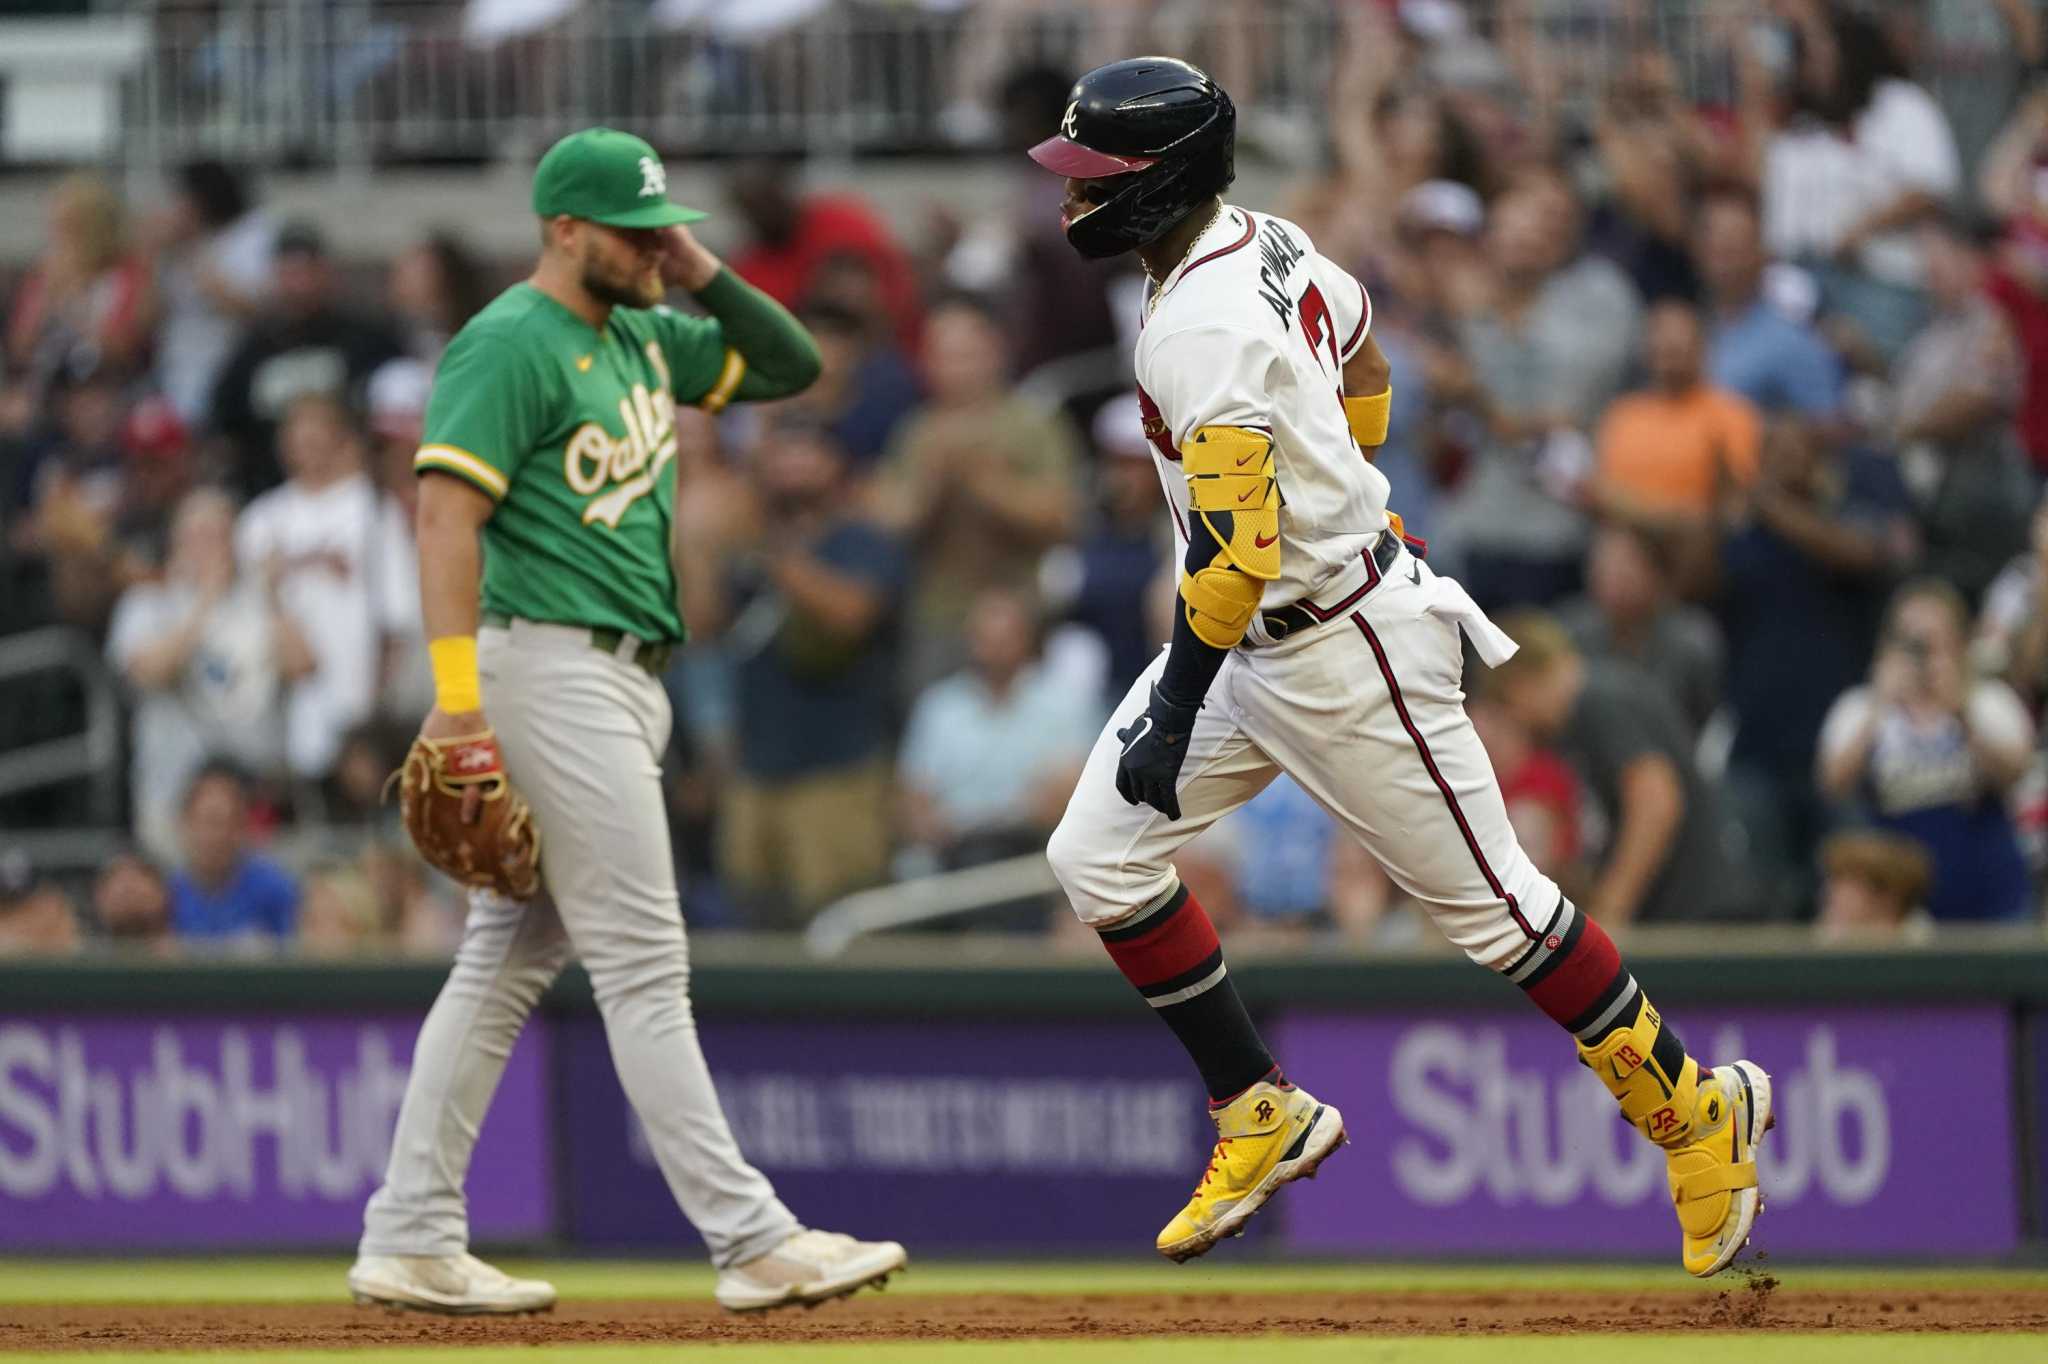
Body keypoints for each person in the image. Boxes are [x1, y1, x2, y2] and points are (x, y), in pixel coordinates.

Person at [1030, 58, 1769, 1278]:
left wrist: (1172, 705)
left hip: (1334, 643)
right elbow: (1365, 352)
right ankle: (1256, 1108)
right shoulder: (1256, 239)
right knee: (1095, 856)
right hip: (1269, 625)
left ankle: (1694, 1111)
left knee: (1499, 915)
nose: (1071, 202)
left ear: (1157, 184)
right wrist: (1358, 484)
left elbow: (1237, 553)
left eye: (1094, 177)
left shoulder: (1200, 317)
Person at [350, 127, 905, 1316]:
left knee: (504, 955)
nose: (656, 245)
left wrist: (694, 265)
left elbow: (790, 362)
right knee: (645, 961)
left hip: (617, 671)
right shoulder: (508, 340)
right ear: (562, 228)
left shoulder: (646, 328)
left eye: (665, 225)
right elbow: (443, 523)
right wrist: (455, 702)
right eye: (632, 229)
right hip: (540, 662)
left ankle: (407, 1230)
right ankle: (749, 1234)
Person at [683, 414, 909, 928]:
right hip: (757, 769)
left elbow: (850, 616)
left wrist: (774, 555)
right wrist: (698, 534)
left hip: (838, 769)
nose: (792, 465)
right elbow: (702, 626)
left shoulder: (861, 539)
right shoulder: (744, 544)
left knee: (836, 922)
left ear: (840, 467)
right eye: (782, 453)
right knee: (751, 918)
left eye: (809, 452)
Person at [872, 292, 1081, 690]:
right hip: (937, 617)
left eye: (966, 353)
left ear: (996, 351)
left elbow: (1062, 518)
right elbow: (892, 523)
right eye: (941, 355)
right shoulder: (916, 431)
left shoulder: (1031, 424)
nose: (953, 368)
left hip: (1019, 616)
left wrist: (985, 483)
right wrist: (931, 483)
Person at [1817, 579, 2035, 924]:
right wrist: (1879, 705)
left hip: (1989, 894)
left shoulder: (1988, 700)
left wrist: (1960, 712)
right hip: (1896, 900)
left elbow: (2016, 772)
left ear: (1960, 645)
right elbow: (1833, 785)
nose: (1923, 657)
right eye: (1911, 643)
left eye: (1935, 643)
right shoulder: (1859, 707)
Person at [107, 486, 301, 862]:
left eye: (217, 536)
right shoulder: (146, 603)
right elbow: (150, 671)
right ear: (175, 543)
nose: (206, 548)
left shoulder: (259, 604)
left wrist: (272, 595)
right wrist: (205, 601)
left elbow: (303, 665)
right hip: (172, 799)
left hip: (254, 802)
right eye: (195, 536)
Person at [234, 395, 420, 787]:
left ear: (339, 438)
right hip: (283, 707)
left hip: (358, 707)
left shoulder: (371, 510)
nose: (307, 444)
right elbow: (244, 613)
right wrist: (282, 630)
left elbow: (398, 616)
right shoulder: (262, 518)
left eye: (317, 433)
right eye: (298, 434)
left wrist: (378, 707)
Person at [899, 586, 1097, 906]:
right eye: (984, 638)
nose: (994, 650)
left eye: (1005, 639)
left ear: (1028, 640)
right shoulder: (939, 707)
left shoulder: (1064, 702)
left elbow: (1071, 793)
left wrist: (1017, 814)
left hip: (1032, 859)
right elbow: (914, 800)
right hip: (953, 858)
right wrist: (931, 824)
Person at [209, 221, 405, 499]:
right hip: (271, 494)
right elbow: (224, 424)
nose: (298, 284)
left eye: (306, 271)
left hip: (355, 491)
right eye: (289, 273)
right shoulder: (254, 349)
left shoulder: (366, 339)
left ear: (326, 273)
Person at [1591, 297, 1762, 532]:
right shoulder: (1623, 414)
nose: (1669, 349)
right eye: (1661, 342)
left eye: (1679, 344)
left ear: (1702, 347)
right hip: (1625, 540)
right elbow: (1600, 493)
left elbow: (1736, 507)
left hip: (1698, 546)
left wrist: (1647, 515)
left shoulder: (1732, 415)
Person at [1556, 524, 1723, 736]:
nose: (1612, 576)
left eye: (1626, 565)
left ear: (1659, 572)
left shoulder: (1693, 641)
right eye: (1603, 563)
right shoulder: (1567, 630)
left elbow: (1706, 720)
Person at [146, 160, 277, 424]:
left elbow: (247, 307)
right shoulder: (172, 248)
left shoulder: (253, 233)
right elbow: (149, 316)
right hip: (176, 369)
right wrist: (151, 255)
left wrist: (191, 247)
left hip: (228, 368)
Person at [1696, 186, 1842, 419]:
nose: (1722, 260)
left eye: (1733, 248)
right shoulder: (1688, 325)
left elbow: (1830, 425)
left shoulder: (1792, 341)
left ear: (1761, 254)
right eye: (1715, 247)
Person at [167, 762, 300, 947]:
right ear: (185, 824)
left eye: (229, 823)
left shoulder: (276, 890)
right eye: (209, 822)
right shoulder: (167, 894)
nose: (217, 836)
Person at [1815, 829, 1935, 946]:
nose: (1830, 891)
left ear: (1887, 896)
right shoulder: (1825, 937)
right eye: (1834, 881)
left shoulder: (1924, 945)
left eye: (1844, 882)